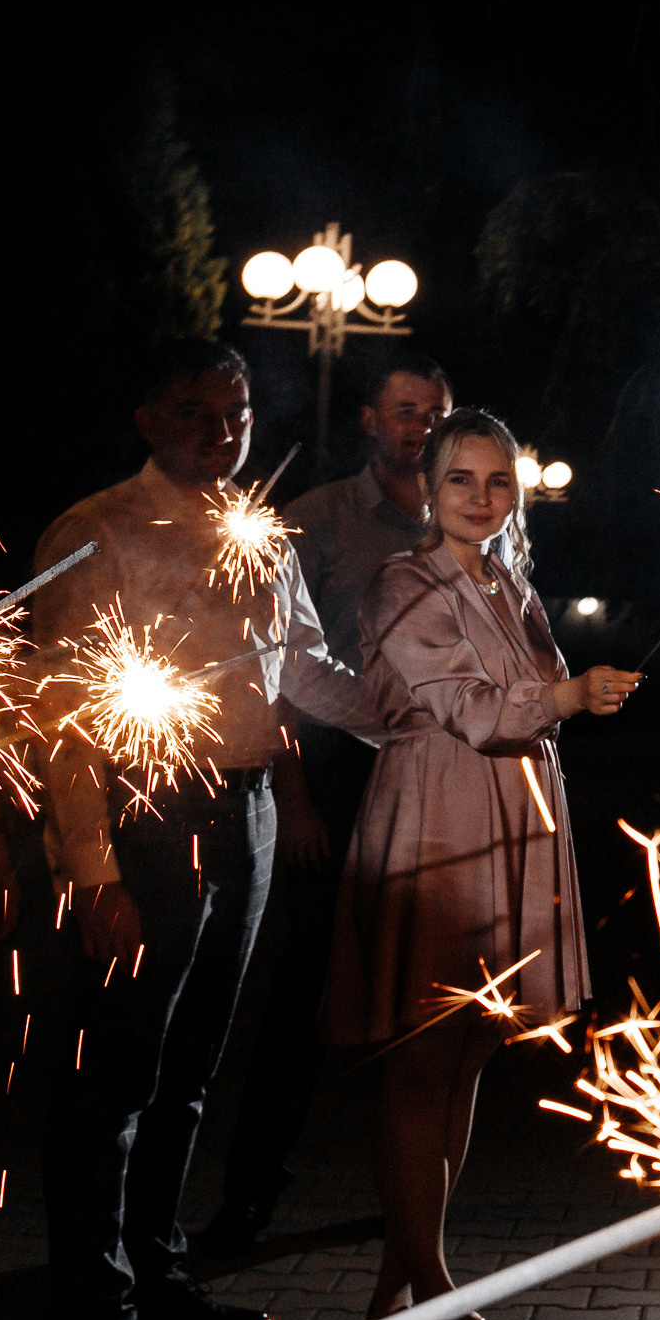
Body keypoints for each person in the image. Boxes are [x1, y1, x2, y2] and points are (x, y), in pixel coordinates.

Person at [33, 341, 379, 1320]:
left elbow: (303, 667)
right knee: (116, 1081)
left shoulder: (258, 530)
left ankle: (160, 1278)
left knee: (188, 1070)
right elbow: (61, 716)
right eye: (194, 412)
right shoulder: (96, 532)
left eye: (232, 411)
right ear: (147, 418)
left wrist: (422, 710)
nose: (220, 430)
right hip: (146, 814)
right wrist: (92, 874)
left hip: (248, 809)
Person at [320, 408, 636, 1320]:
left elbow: (528, 697)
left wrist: (574, 697)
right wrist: (572, 696)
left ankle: (397, 1289)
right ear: (428, 482)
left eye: (500, 483)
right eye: (463, 479)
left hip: (512, 813)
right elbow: (468, 708)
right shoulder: (403, 582)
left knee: (463, 1058)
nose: (482, 498)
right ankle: (430, 1290)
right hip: (441, 814)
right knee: (424, 1055)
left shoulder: (510, 583)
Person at [202, 351, 453, 1255]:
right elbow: (277, 668)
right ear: (369, 420)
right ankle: (250, 1191)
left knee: (419, 992)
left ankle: (410, 1191)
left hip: (433, 779)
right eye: (402, 409)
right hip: (334, 774)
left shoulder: (469, 520)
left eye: (432, 410)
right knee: (303, 994)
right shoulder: (312, 521)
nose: (416, 425)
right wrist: (295, 796)